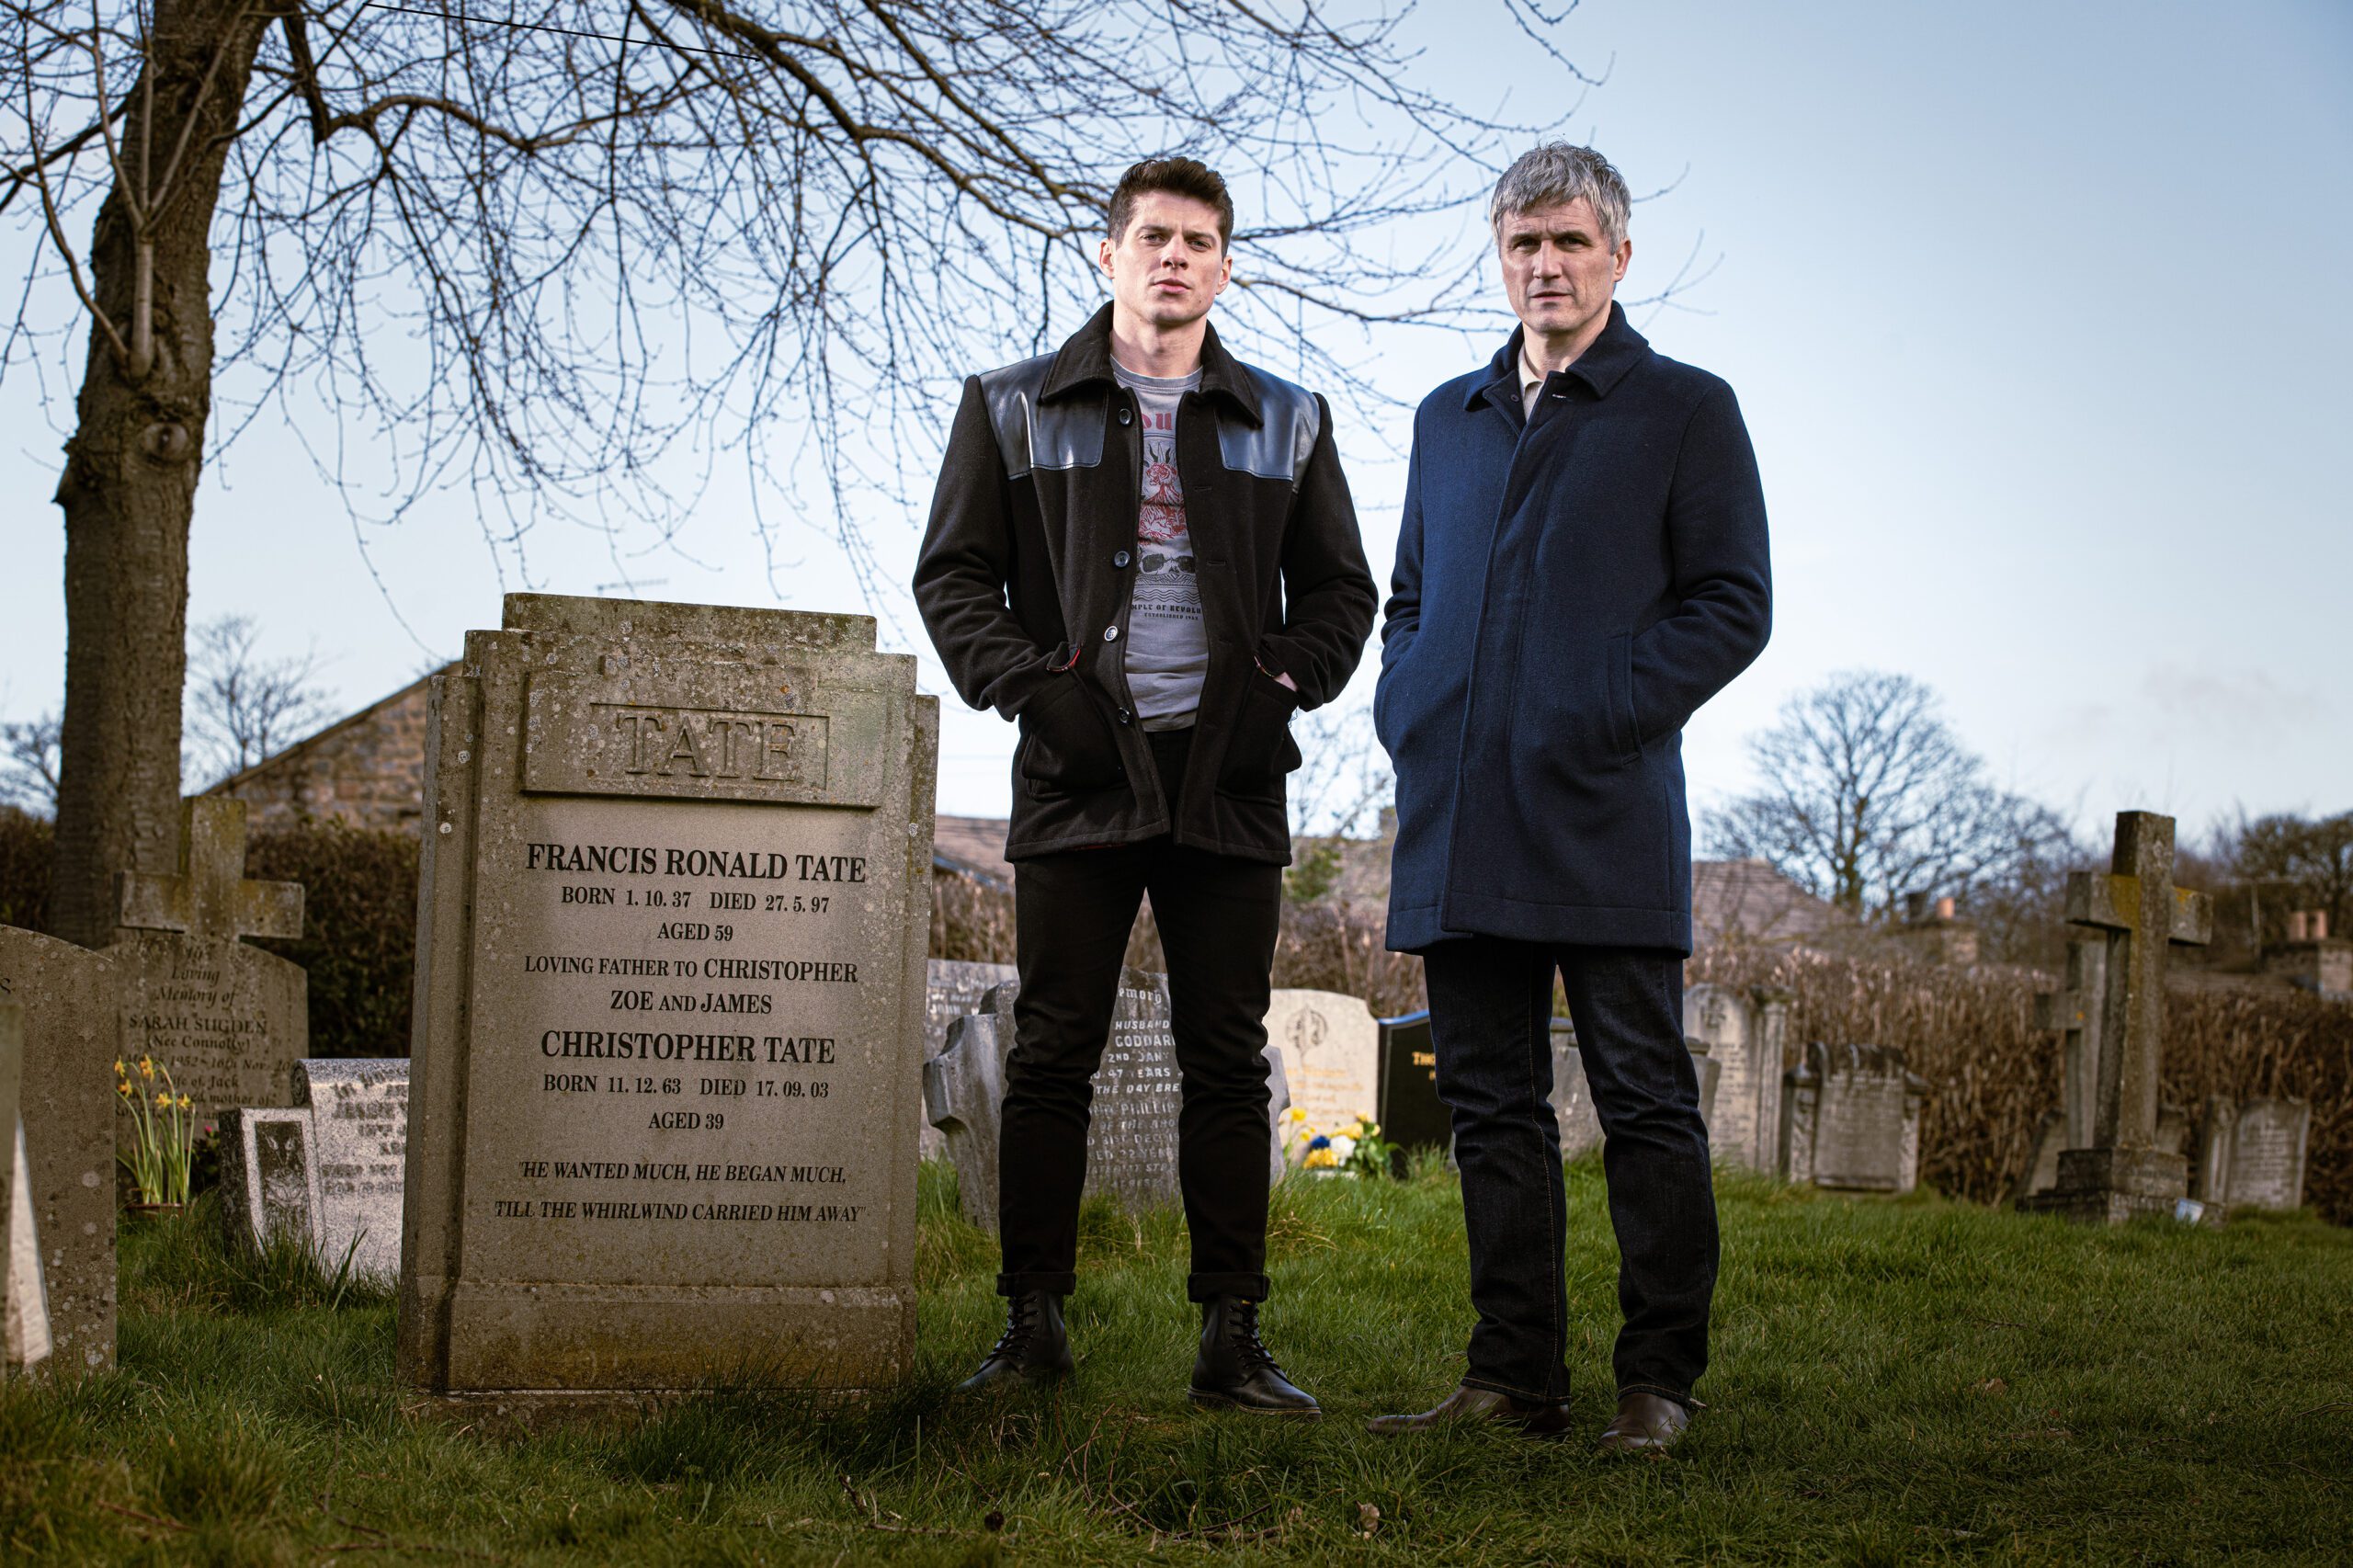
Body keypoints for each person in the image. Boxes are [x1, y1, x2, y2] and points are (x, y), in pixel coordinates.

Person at [913, 156, 1376, 1415]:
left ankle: (1233, 1338)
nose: (1177, 258)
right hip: (1079, 772)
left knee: (1225, 1054)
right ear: (1107, 253)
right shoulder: (1013, 405)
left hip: (1227, 779)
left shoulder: (1287, 415)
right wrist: (1034, 689)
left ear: (1224, 268)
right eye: (1155, 236)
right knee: (1054, 1044)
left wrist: (1285, 678)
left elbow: (1343, 591)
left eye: (1202, 242)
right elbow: (953, 575)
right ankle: (1032, 1328)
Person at [1366, 144, 1771, 1450]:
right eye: (1523, 244)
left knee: (1645, 1098)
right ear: (1501, 255)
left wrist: (1599, 706)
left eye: (1570, 244)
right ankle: (1512, 1377)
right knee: (1489, 1104)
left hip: (1604, 809)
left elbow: (1732, 607)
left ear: (1619, 257)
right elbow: (1410, 596)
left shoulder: (1686, 410)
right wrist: (1412, 707)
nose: (1545, 265)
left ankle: (1657, 1382)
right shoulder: (1449, 416)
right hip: (1462, 809)